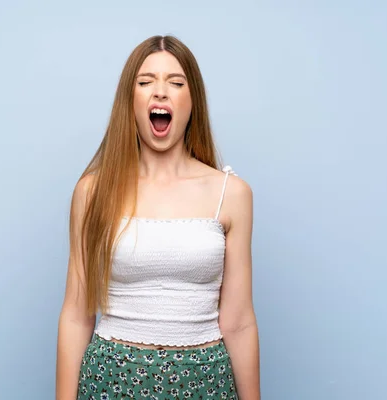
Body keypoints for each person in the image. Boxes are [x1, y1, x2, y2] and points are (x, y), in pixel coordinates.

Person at [55, 35, 260, 399]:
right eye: (146, 82)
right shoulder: (92, 192)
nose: (160, 93)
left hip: (206, 384)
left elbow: (240, 322)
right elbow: (76, 313)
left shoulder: (232, 194)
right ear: (129, 100)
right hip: (110, 381)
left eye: (176, 83)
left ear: (192, 100)